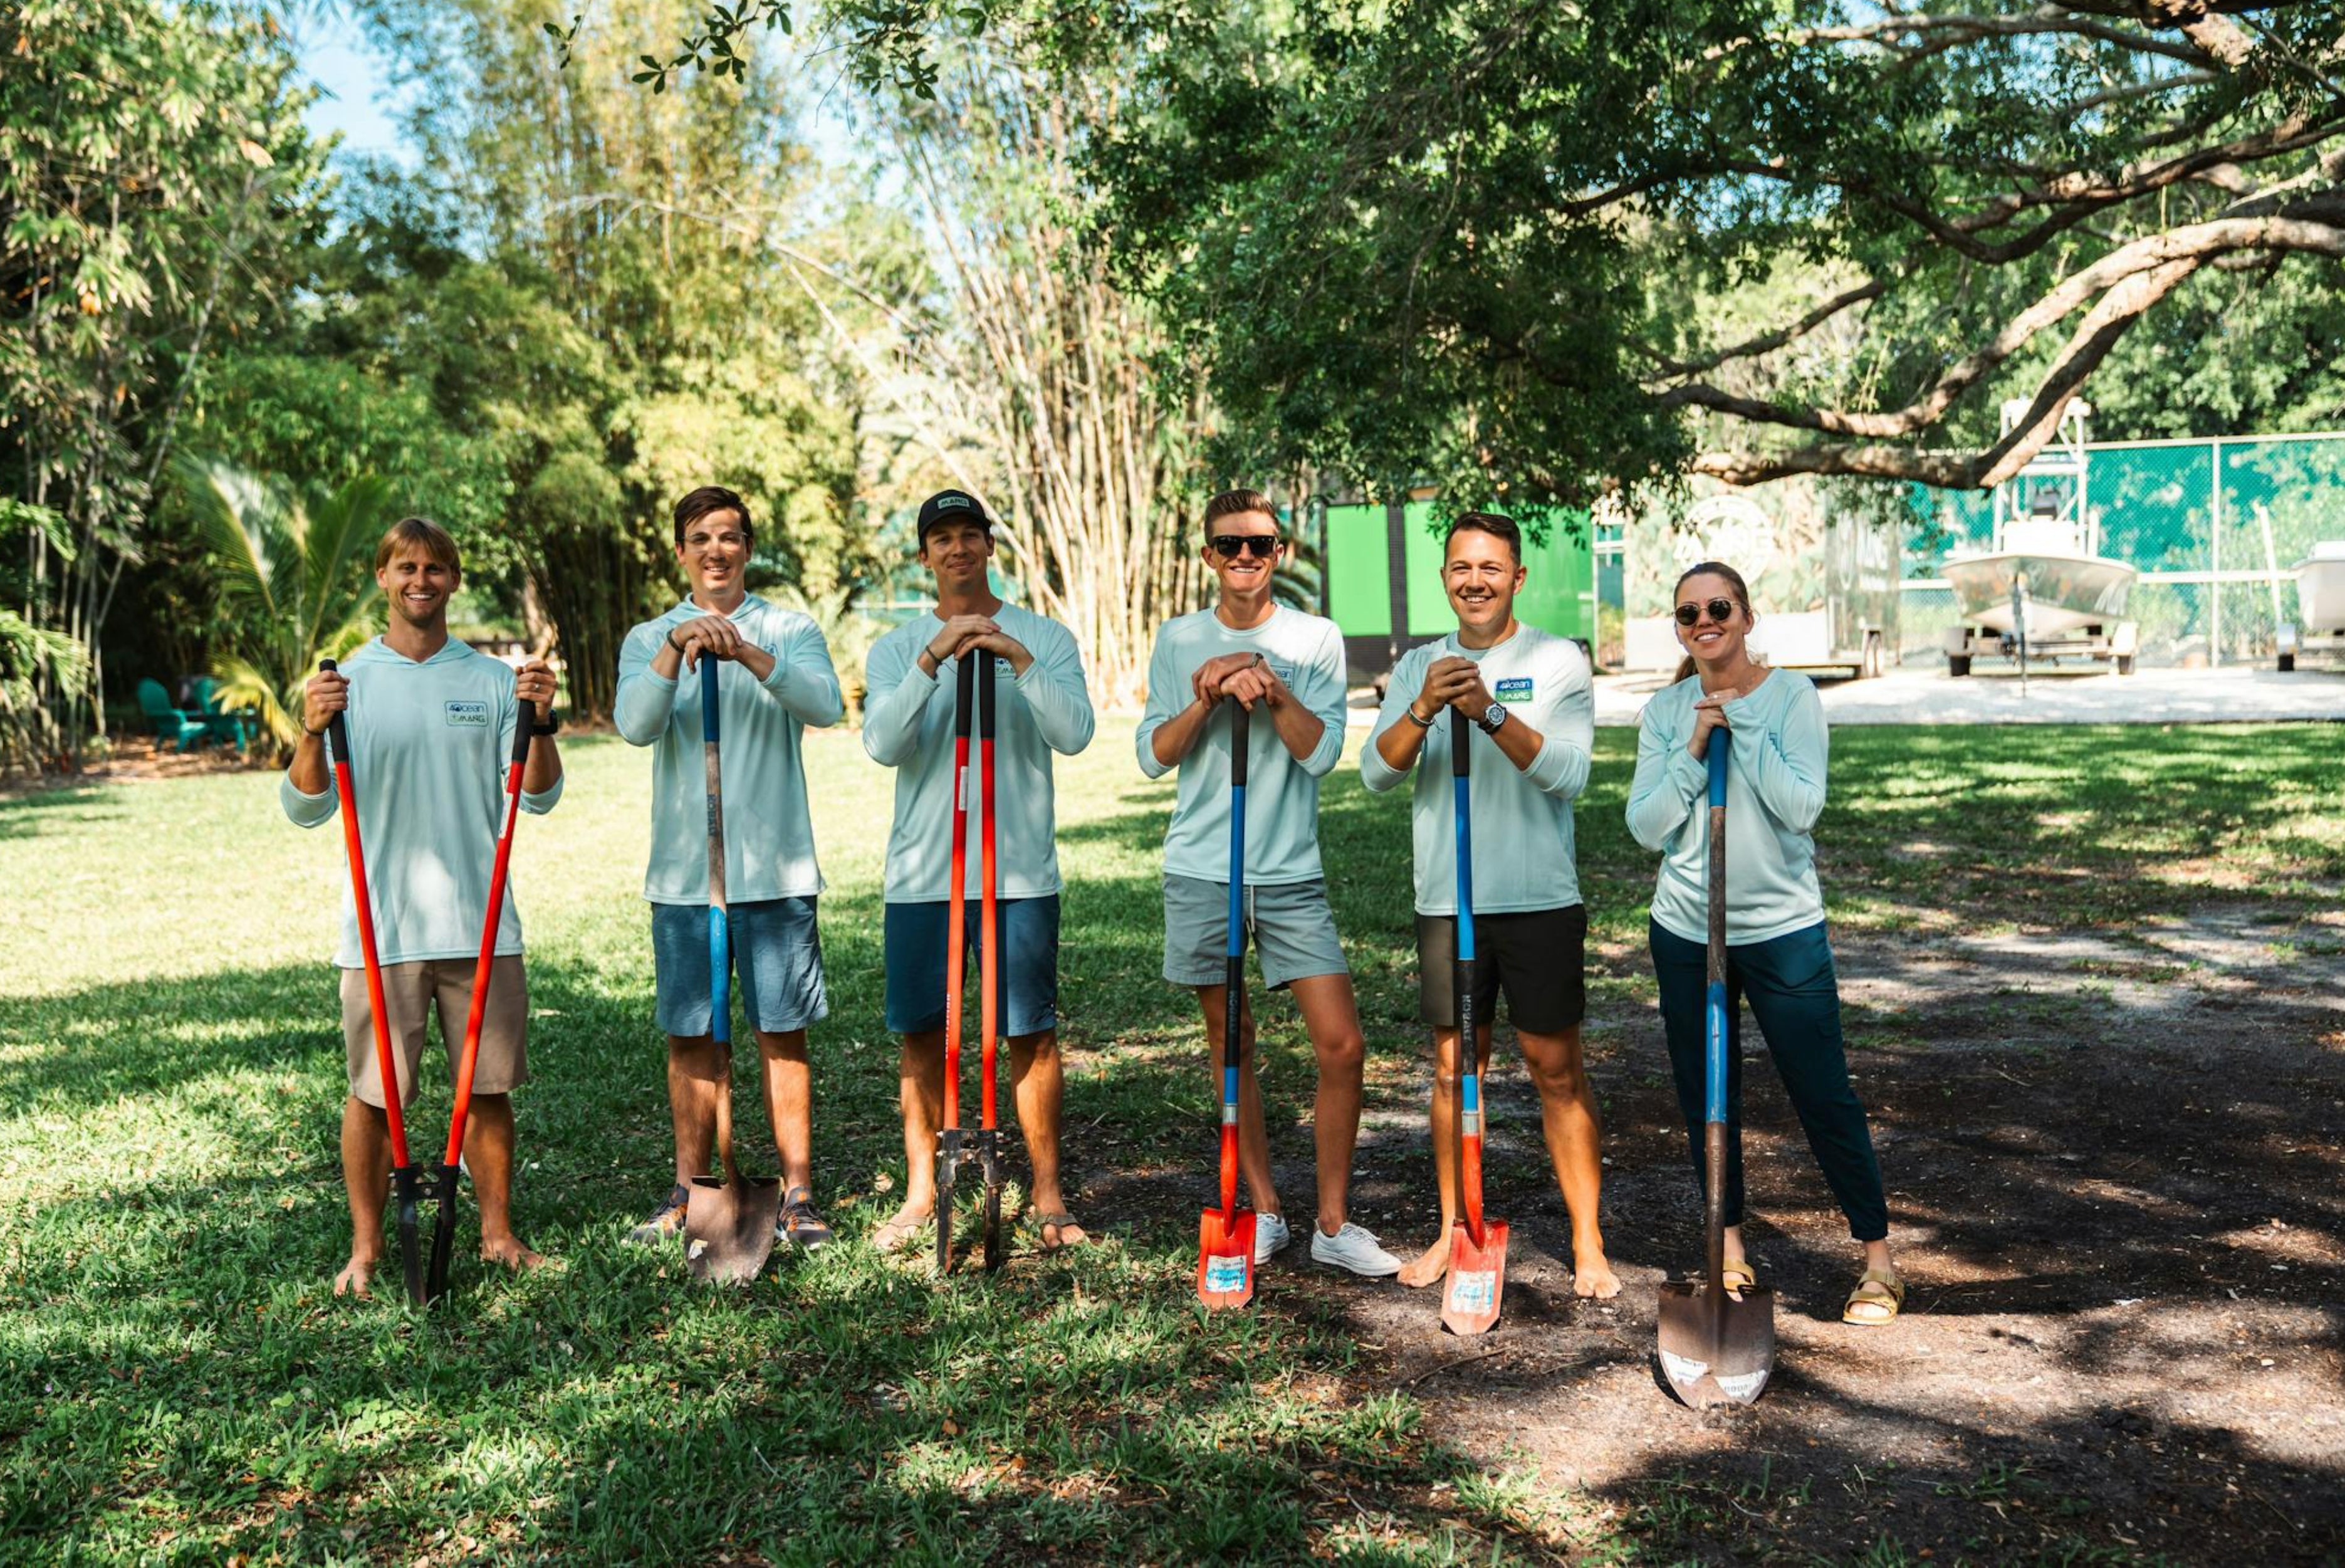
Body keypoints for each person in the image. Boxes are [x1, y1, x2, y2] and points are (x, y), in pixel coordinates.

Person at [284, 516, 563, 1299]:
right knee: (376, 1096)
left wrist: (539, 717)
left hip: (481, 924)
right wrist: (312, 729)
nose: (420, 580)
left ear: (454, 579)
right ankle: (367, 1250)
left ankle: (498, 1235)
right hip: (383, 928)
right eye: (405, 567)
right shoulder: (348, 684)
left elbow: (539, 793)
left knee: (489, 1088)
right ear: (381, 578)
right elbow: (304, 808)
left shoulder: (487, 680)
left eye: (435, 568)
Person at [1625, 560, 1902, 1324]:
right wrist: (1691, 746)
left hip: (1780, 931)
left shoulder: (1791, 698)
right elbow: (1645, 825)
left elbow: (1801, 808)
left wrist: (1740, 726)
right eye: (1688, 614)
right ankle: (1731, 1251)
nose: (1703, 621)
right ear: (1678, 628)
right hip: (1686, 928)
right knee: (1707, 1094)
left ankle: (1877, 1261)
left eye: (1718, 607)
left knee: (1822, 1092)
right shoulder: (1665, 710)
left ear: (1747, 617)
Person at [1136, 488, 1401, 1278]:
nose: (1245, 558)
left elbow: (1321, 755)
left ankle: (1332, 1222)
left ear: (1279, 552)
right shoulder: (1179, 637)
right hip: (1201, 868)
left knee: (1342, 1045)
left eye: (1260, 544)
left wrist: (1270, 683)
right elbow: (1154, 755)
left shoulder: (1314, 638)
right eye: (1229, 545)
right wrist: (1207, 694)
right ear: (1208, 555)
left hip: (1288, 873)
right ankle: (1268, 1212)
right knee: (1232, 1047)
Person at [1361, 511, 1616, 1297]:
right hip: (1448, 901)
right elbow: (1376, 774)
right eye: (1461, 567)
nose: (1475, 580)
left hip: (1536, 898)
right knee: (1451, 1069)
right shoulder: (1419, 667)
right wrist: (1423, 708)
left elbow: (1570, 775)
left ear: (1516, 578)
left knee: (1554, 1068)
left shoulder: (1554, 659)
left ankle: (1587, 1243)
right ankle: (1452, 1230)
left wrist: (1492, 714)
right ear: (1445, 578)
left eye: (1491, 567)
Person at [862, 489, 1095, 1253]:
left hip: (1018, 873)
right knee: (923, 1033)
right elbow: (883, 745)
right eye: (942, 538)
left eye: (970, 535)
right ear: (924, 555)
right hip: (926, 875)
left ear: (989, 546)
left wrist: (1017, 659)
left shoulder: (1043, 635)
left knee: (1029, 1034)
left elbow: (1075, 734)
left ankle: (1049, 1195)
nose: (957, 548)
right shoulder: (897, 647)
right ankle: (923, 1191)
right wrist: (935, 656)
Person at [614, 486, 844, 1250]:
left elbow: (823, 705)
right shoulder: (650, 634)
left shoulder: (789, 627)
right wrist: (679, 648)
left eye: (731, 536)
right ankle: (690, 1188)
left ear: (748, 549)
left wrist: (743, 649)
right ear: (680, 551)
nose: (716, 549)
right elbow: (636, 724)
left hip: (773, 875)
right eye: (701, 537)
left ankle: (797, 1192)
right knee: (692, 1038)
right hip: (686, 879)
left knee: (782, 1032)